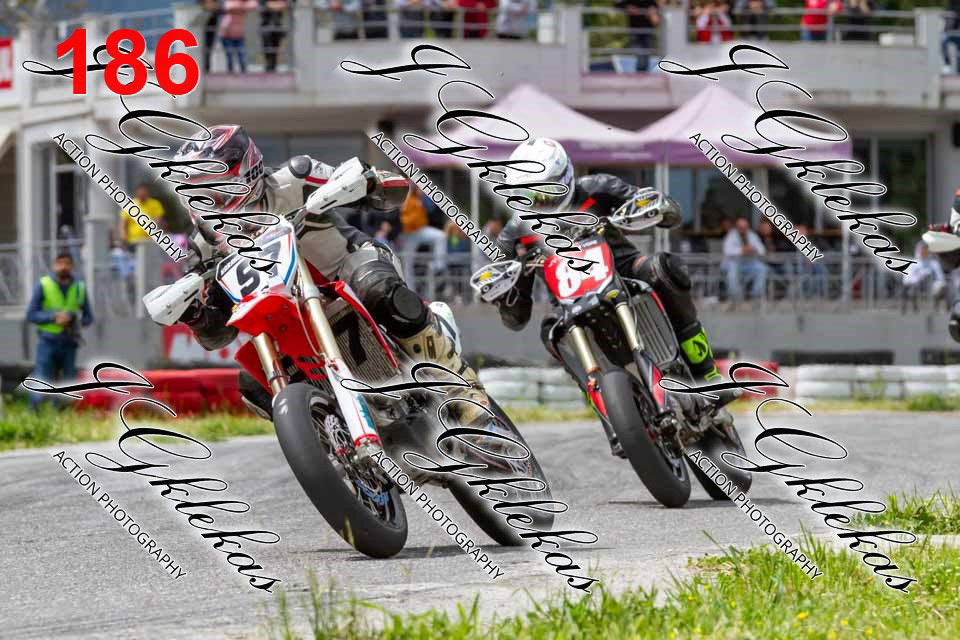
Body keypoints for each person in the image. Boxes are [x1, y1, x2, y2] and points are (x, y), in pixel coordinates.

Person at [168, 125, 491, 428]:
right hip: (288, 315)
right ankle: (334, 440)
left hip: (350, 267)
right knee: (253, 383)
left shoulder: (295, 177)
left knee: (378, 289)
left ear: (242, 171)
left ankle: (463, 390)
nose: (205, 199)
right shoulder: (204, 246)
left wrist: (367, 182)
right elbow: (219, 333)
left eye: (211, 187)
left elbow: (390, 190)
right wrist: (195, 315)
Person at [492, 138, 735, 416]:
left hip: (623, 270)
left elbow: (664, 209)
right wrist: (506, 294)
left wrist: (661, 207)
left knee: (662, 268)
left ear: (564, 178)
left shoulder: (598, 187)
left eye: (544, 193)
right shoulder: (514, 235)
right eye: (527, 196)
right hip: (568, 302)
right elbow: (516, 318)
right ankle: (608, 412)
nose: (538, 203)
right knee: (550, 331)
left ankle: (707, 375)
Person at [25, 252, 94, 409]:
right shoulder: (44, 284)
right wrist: (53, 317)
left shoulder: (79, 288)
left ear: (72, 266)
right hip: (48, 341)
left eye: (67, 263)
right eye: (60, 263)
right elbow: (31, 314)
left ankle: (59, 413)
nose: (63, 267)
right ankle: (33, 413)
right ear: (54, 265)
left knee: (68, 381)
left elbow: (88, 317)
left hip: (69, 341)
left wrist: (75, 320)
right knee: (42, 378)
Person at [722, 216, 767, 302]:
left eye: (745, 227)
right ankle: (736, 297)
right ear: (737, 227)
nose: (743, 229)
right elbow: (727, 251)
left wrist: (754, 249)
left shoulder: (752, 235)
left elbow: (762, 250)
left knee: (762, 268)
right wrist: (742, 250)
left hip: (748, 264)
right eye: (740, 227)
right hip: (734, 263)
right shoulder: (731, 235)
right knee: (732, 270)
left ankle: (755, 295)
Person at [614, 0, 660, 71]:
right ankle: (641, 72)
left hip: (647, 31)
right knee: (640, 54)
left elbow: (656, 8)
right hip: (635, 31)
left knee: (646, 54)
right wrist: (628, 7)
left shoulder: (650, 2)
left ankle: (642, 73)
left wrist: (653, 10)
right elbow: (618, 5)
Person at [902, 240, 946, 312]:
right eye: (923, 249)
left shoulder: (934, 263)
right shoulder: (913, 263)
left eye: (926, 249)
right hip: (916, 285)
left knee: (939, 288)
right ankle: (915, 307)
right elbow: (907, 278)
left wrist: (938, 284)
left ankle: (935, 308)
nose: (925, 251)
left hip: (930, 285)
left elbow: (940, 277)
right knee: (911, 289)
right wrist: (918, 279)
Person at [118, 183, 166, 248]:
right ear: (137, 192)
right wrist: (124, 237)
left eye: (144, 191)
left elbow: (159, 220)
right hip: (133, 241)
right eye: (141, 191)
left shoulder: (155, 204)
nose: (142, 193)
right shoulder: (129, 205)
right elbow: (123, 223)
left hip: (150, 241)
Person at [220, 0, 257, 73]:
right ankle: (230, 76)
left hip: (239, 35)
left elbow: (254, 5)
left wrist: (241, 5)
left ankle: (244, 76)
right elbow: (227, 6)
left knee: (242, 57)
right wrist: (242, 6)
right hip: (227, 34)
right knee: (230, 58)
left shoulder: (245, 2)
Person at [260, 0, 288, 72]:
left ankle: (273, 67)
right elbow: (264, 5)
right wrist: (276, 6)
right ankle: (268, 66)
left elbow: (286, 4)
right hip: (266, 27)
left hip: (277, 27)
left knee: (275, 49)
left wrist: (272, 6)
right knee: (267, 49)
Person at [200, 0, 222, 73]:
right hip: (200, 30)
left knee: (208, 49)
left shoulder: (216, 3)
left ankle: (206, 69)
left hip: (211, 29)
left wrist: (212, 7)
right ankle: (202, 68)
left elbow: (219, 10)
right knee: (201, 49)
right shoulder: (201, 2)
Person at [944, 0, 960, 73]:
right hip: (949, 33)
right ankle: (947, 64)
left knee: (958, 53)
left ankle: (958, 70)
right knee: (943, 42)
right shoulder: (952, 5)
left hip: (958, 34)